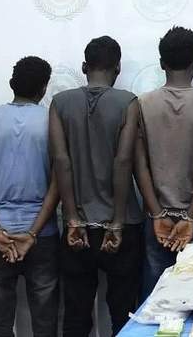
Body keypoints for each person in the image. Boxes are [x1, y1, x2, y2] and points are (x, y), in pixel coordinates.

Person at [50, 36, 143, 337]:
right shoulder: (128, 102)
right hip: (122, 224)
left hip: (77, 226)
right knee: (124, 316)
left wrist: (72, 219)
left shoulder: (60, 103)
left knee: (76, 317)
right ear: (118, 68)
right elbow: (123, 161)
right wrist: (116, 222)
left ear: (83, 67)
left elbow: (61, 161)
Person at [0, 56, 60, 337]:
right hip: (42, 234)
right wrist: (32, 234)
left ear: (12, 84)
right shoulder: (52, 122)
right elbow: (58, 183)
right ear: (43, 88)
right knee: (45, 321)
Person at [136, 26, 193, 296]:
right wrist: (191, 217)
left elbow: (139, 166)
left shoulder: (141, 104)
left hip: (157, 222)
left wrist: (158, 214)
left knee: (156, 303)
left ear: (161, 63)